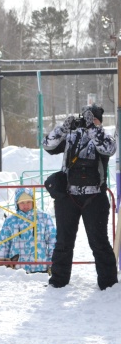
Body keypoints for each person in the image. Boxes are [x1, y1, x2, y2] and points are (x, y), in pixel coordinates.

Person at [42, 104, 118, 290]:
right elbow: (47, 144)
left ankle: (108, 285)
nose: (88, 122)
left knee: (99, 242)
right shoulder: (71, 137)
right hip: (68, 197)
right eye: (86, 118)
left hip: (95, 198)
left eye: (93, 118)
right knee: (63, 242)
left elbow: (109, 149)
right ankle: (58, 282)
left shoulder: (103, 137)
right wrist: (63, 128)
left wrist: (92, 128)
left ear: (99, 120)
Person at [0, 188, 56, 273]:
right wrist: (2, 267)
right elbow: (4, 244)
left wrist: (53, 264)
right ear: (17, 204)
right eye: (22, 203)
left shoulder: (44, 217)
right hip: (17, 270)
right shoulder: (10, 220)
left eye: (28, 202)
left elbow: (53, 241)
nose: (25, 205)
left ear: (33, 202)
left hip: (40, 268)